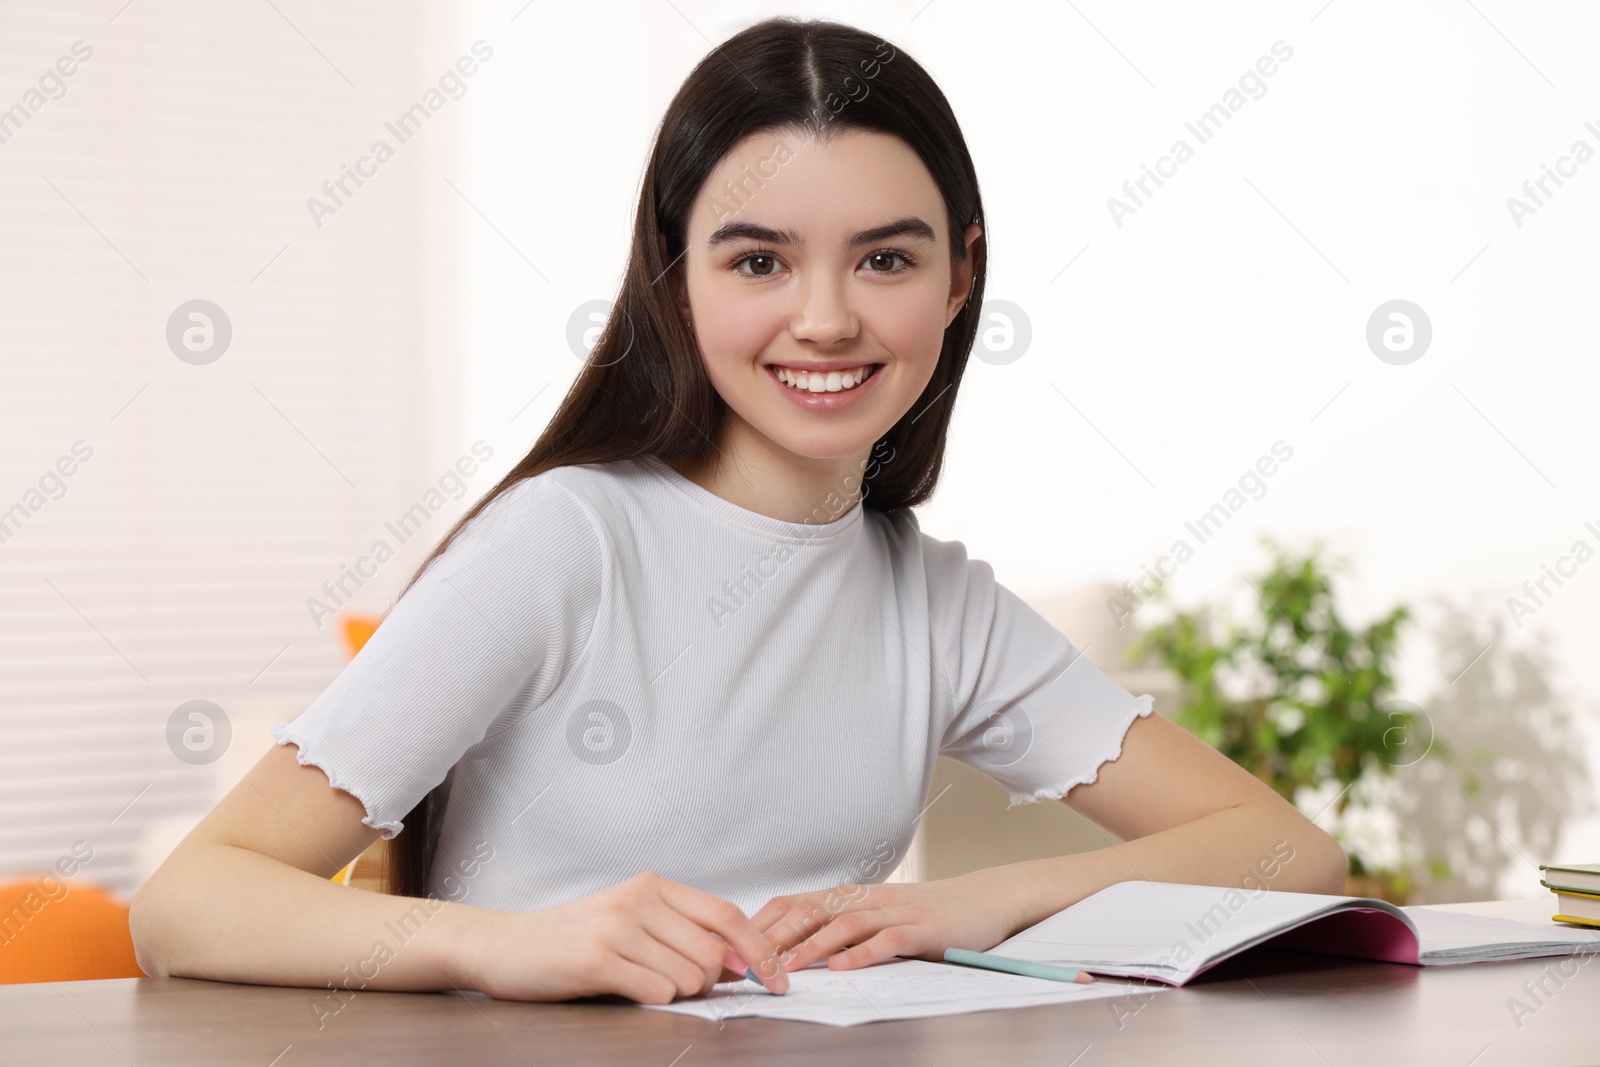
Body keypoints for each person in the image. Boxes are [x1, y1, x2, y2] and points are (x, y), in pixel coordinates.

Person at [130, 16, 1345, 1008]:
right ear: (676, 271)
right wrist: (507, 944)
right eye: (758, 260)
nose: (824, 318)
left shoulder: (932, 600)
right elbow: (190, 899)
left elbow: (1289, 853)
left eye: (885, 259)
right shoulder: (567, 542)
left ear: (960, 274)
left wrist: (972, 902)